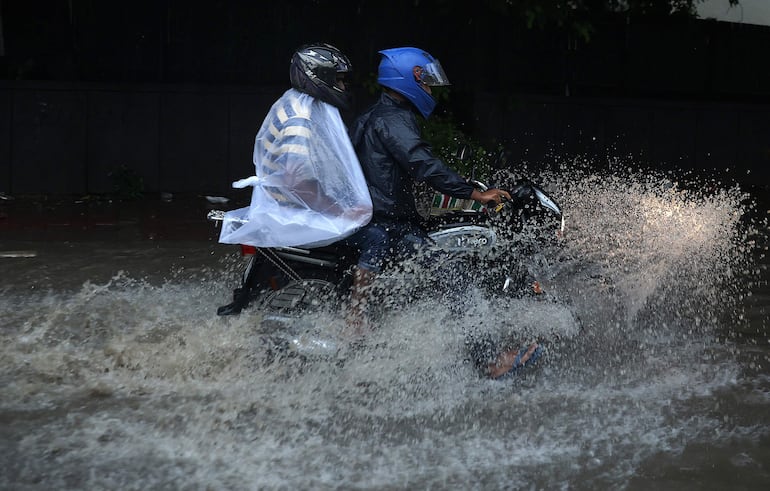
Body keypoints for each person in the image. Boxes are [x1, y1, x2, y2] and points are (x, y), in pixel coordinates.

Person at [343, 46, 540, 378]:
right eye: (427, 83)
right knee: (457, 276)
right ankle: (490, 362)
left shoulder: (372, 115)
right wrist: (476, 193)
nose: (430, 90)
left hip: (373, 219)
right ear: (411, 79)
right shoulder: (394, 120)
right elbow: (424, 165)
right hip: (390, 226)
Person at [216, 42, 372, 315]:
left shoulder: (295, 103)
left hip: (288, 206)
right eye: (338, 80)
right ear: (318, 78)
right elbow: (296, 180)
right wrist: (342, 210)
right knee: (376, 239)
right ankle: (356, 317)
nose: (344, 87)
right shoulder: (301, 117)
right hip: (296, 211)